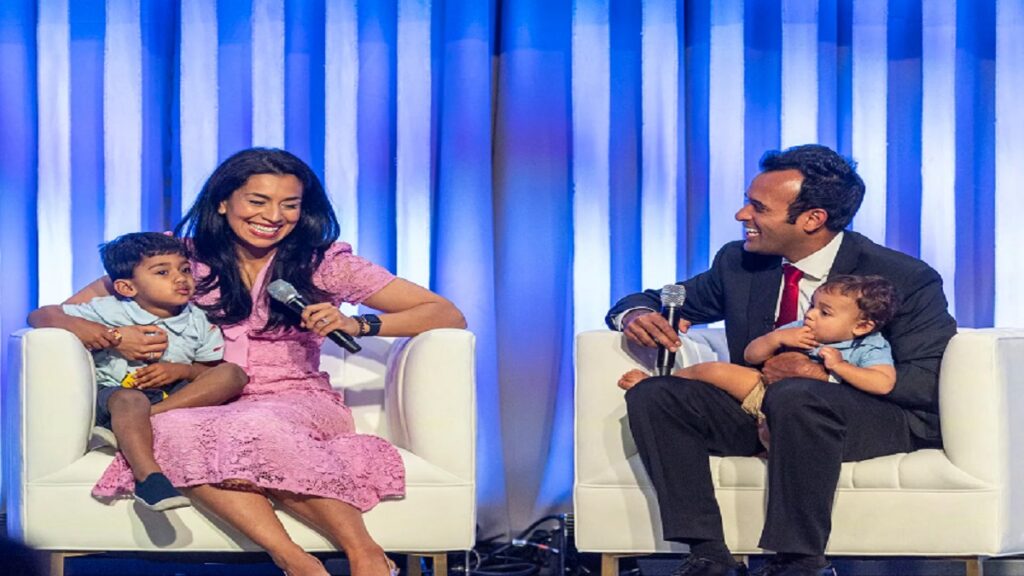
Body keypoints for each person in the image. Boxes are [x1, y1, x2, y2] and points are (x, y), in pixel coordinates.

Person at [28, 148, 467, 576]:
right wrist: (114, 337)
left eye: (289, 204)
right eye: (258, 201)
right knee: (172, 428)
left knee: (253, 426)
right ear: (223, 201)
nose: (273, 215)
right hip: (203, 397)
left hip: (294, 398)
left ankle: (365, 553)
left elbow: (444, 313)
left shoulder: (324, 264)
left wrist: (357, 326)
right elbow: (54, 314)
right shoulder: (177, 261)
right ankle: (295, 560)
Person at [606, 144, 956, 576]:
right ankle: (708, 555)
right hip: (757, 407)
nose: (741, 216)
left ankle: (800, 563)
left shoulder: (901, 276)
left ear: (813, 219)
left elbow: (925, 380)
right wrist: (637, 315)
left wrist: (826, 374)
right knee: (657, 394)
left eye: (757, 207)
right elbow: (658, 299)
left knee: (796, 395)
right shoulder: (740, 263)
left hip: (862, 416)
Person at [42, 232, 247, 511]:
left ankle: (141, 421)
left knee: (233, 373)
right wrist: (109, 335)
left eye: (185, 269)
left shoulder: (199, 320)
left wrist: (180, 371)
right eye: (162, 272)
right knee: (131, 401)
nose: (180, 278)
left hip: (171, 395)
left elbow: (207, 371)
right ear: (127, 287)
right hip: (117, 394)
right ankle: (150, 480)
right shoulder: (109, 311)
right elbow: (40, 316)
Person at [617, 274, 899, 445]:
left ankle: (768, 441)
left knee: (790, 423)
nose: (811, 314)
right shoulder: (798, 328)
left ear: (861, 326)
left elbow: (883, 383)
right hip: (763, 390)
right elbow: (751, 355)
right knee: (714, 371)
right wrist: (776, 340)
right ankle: (659, 385)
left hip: (817, 410)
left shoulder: (869, 346)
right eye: (812, 306)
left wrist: (839, 367)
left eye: (824, 313)